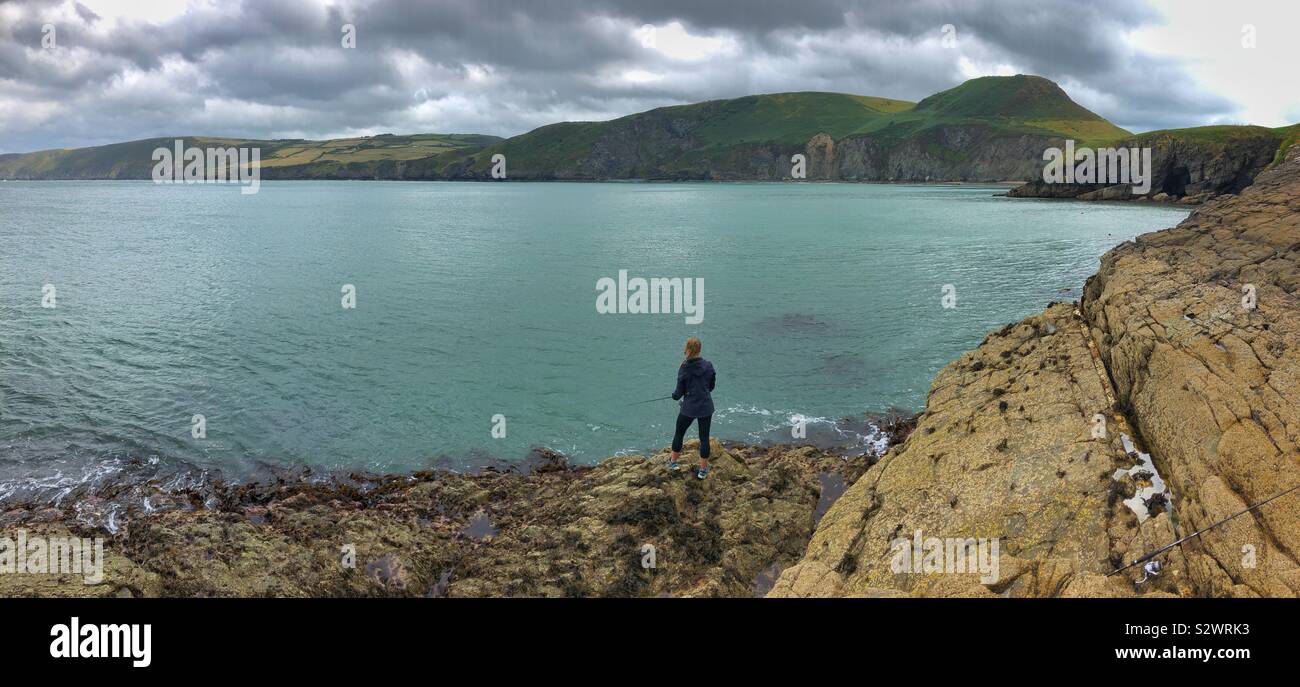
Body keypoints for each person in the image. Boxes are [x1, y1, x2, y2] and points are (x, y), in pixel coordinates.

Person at [667, 337, 716, 479]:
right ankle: (703, 470)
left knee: (679, 433)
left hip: (689, 407)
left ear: (687, 349)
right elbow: (711, 386)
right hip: (706, 406)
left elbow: (678, 393)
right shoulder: (708, 365)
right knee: (704, 438)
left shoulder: (684, 367)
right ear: (699, 349)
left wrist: (675, 396)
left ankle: (673, 462)